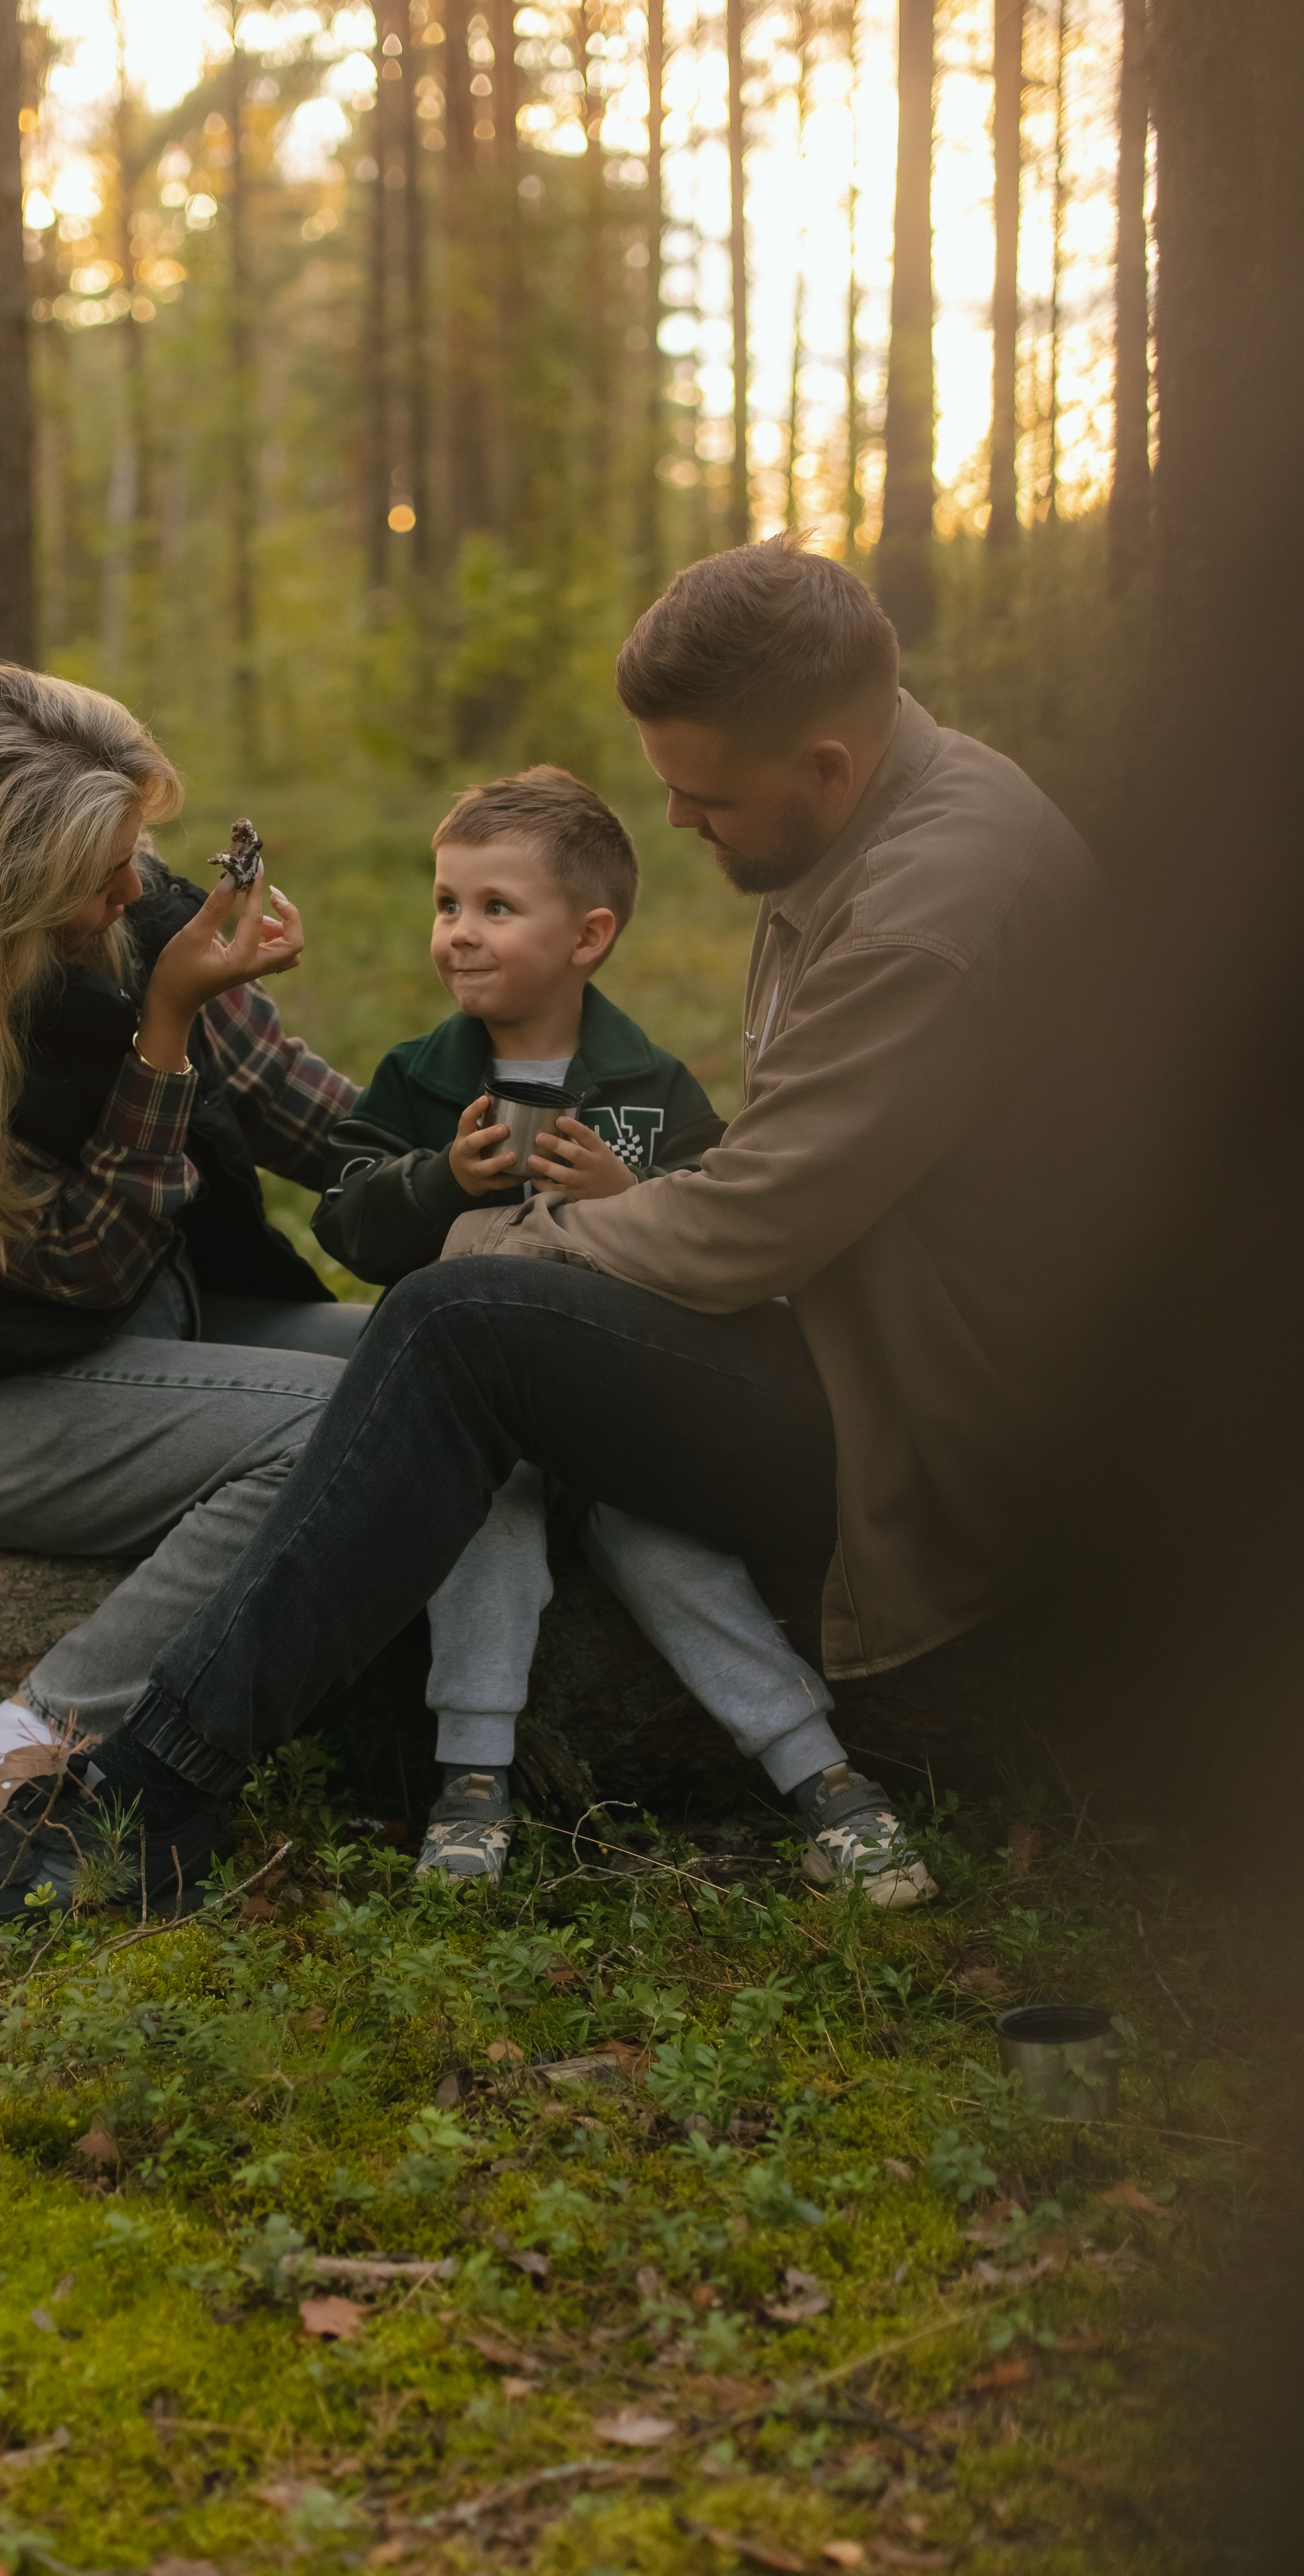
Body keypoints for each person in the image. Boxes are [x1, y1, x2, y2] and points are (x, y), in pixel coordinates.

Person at [1, 538, 1100, 1889]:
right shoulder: (880, 824)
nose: (681, 823)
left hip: (927, 1420)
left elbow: (748, 1224)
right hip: (867, 1343)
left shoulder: (927, 911)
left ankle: (151, 1788)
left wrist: (497, 1237)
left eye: (705, 797)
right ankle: (186, 1768)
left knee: (464, 1314)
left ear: (823, 765)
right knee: (461, 1314)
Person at [0, 666, 565, 1929]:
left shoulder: (134, 908)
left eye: (138, 848)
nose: (131, 889)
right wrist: (165, 1028)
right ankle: (36, 1733)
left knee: (465, 1366)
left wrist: (483, 1169)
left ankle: (468, 1767)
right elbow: (85, 1263)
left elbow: (312, 1118)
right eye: (99, 872)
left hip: (162, 1328)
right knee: (344, 1431)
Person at [314, 764, 913, 1897]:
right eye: (448, 904)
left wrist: (622, 1190)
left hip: (615, 1399)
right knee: (482, 1522)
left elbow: (729, 1227)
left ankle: (822, 1776)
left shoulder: (646, 1084)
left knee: (672, 1551)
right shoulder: (418, 1079)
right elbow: (347, 1220)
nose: (460, 935)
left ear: (588, 936)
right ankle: (473, 1777)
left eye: (496, 908)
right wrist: (438, 1180)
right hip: (489, 1424)